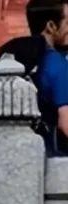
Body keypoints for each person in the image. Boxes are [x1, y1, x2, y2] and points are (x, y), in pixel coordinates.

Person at [27, 0, 68, 154]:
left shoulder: (28, 59)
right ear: (51, 26)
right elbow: (66, 123)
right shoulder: (58, 64)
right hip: (55, 160)